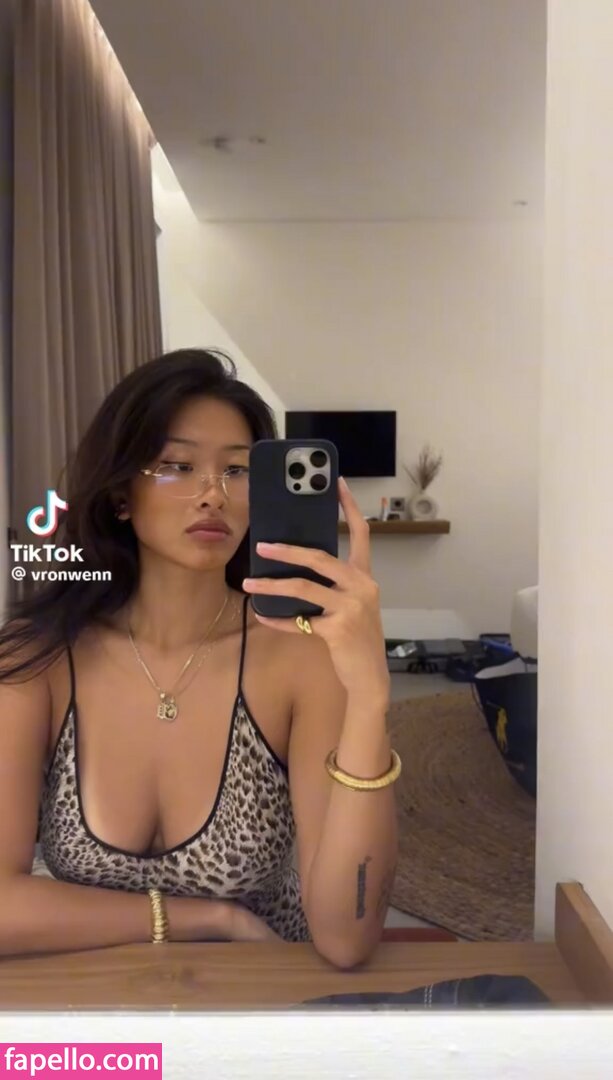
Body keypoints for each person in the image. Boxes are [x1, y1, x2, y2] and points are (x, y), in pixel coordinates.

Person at [0, 349, 399, 968]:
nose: (213, 494)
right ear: (121, 494)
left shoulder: (298, 656)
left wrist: (370, 697)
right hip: (93, 1005)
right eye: (177, 466)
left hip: (260, 997)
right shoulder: (38, 659)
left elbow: (346, 939)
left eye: (237, 471)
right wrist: (207, 918)